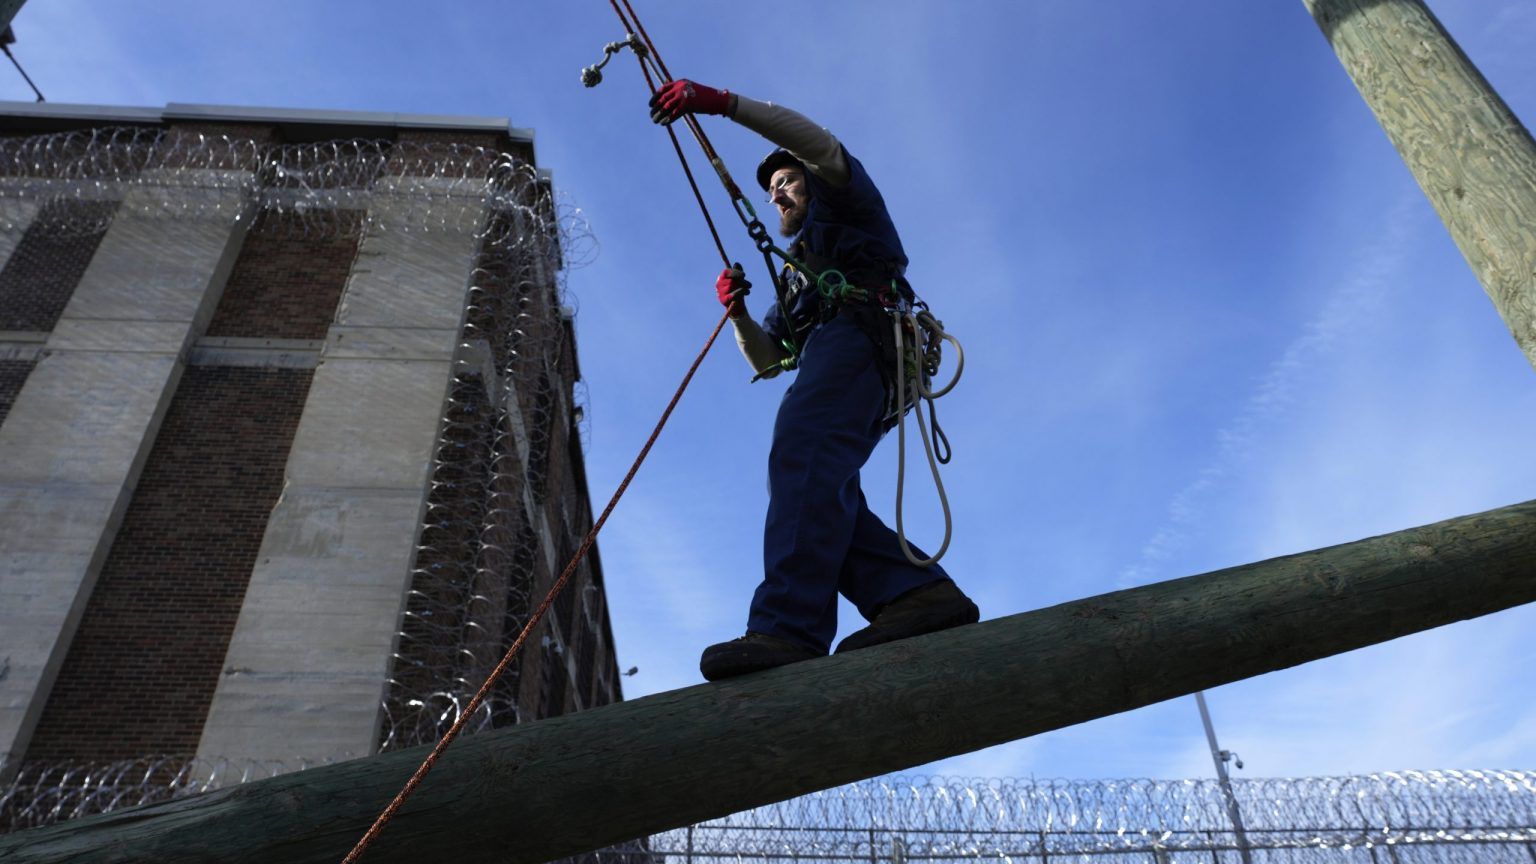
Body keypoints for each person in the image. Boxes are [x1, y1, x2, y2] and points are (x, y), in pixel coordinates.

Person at [649, 79, 979, 682]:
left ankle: (789, 627)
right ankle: (914, 594)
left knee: (802, 452)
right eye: (773, 192)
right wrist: (740, 317)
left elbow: (817, 142)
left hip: (863, 332)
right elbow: (771, 360)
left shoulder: (850, 207)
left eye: (787, 183)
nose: (778, 197)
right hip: (846, 348)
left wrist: (721, 104)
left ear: (811, 179)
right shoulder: (798, 278)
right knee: (819, 477)